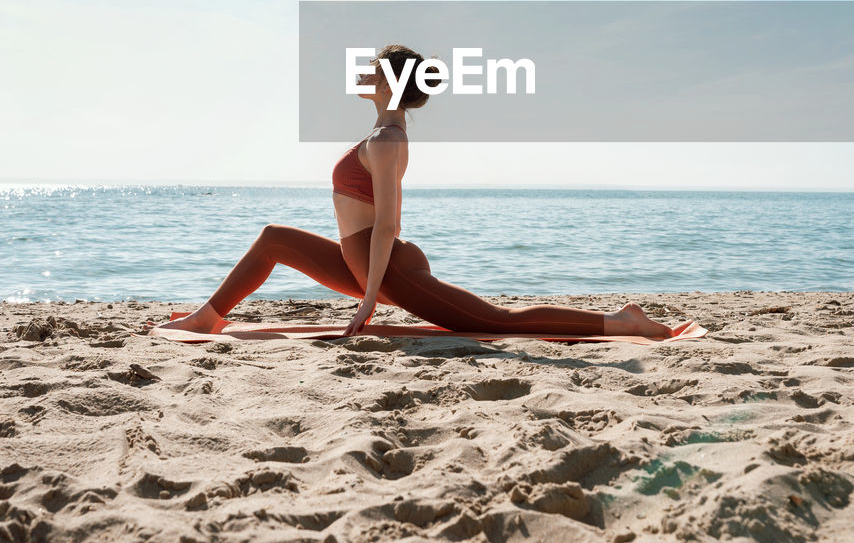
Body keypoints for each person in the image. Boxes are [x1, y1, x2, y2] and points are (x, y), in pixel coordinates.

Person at [149, 43, 673, 340]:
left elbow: (388, 226)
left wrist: (372, 298)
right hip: (363, 259)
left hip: (385, 263)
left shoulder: (386, 140)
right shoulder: (381, 135)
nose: (364, 71)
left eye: (374, 67)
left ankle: (619, 321)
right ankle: (209, 317)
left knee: (496, 323)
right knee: (272, 238)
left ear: (390, 83)